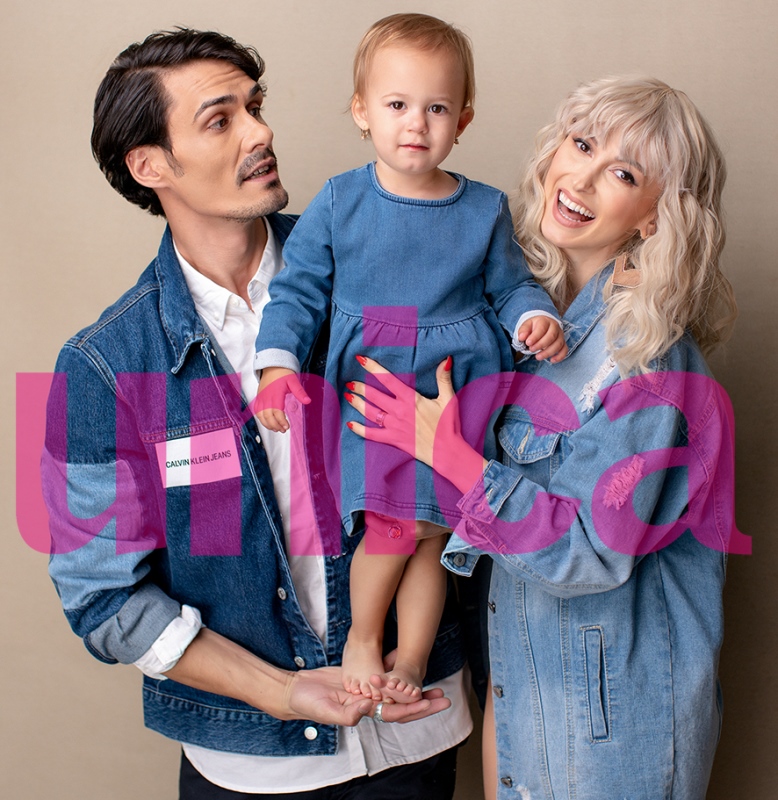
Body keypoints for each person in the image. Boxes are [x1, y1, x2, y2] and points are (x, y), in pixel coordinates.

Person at [43, 28, 473, 799]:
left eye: (256, 107)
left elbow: (495, 428)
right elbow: (102, 597)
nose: (261, 132)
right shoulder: (104, 367)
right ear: (150, 166)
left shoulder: (379, 265)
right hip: (251, 765)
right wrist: (283, 692)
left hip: (419, 730)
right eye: (221, 119)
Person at [345, 76, 743, 798]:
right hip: (522, 692)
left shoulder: (647, 361)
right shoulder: (527, 322)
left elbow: (589, 551)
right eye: (582, 145)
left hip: (612, 730)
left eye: (624, 174)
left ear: (656, 217)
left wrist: (451, 455)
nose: (581, 180)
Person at [253, 13, 567, 702]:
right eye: (396, 105)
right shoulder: (340, 201)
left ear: (464, 120)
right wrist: (277, 367)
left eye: (437, 108)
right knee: (392, 522)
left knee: (435, 533)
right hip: (376, 386)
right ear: (361, 111)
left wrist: (533, 317)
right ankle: (364, 637)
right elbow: (297, 293)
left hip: (458, 388)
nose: (416, 124)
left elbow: (510, 286)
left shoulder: (484, 209)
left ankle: (414, 658)